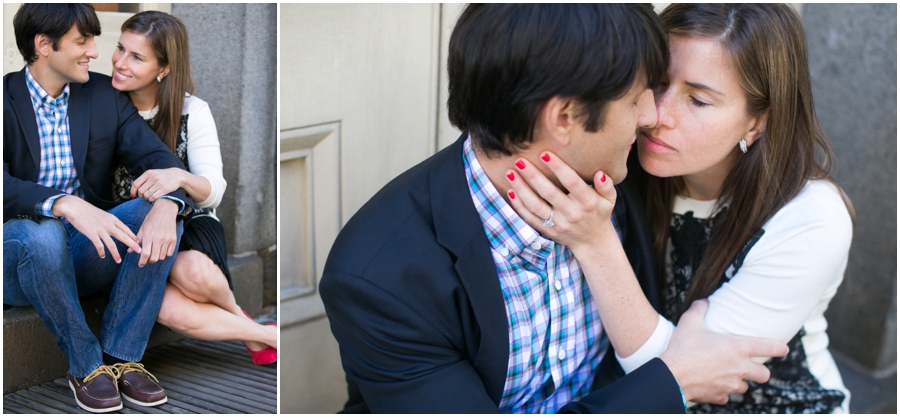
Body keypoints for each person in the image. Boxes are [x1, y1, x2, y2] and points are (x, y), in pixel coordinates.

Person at [319, 4, 788, 413]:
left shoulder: (625, 170)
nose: (652, 117)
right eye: (637, 97)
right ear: (564, 119)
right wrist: (673, 380)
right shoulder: (377, 276)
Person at [507, 3, 853, 413]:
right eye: (655, 83)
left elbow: (684, 378)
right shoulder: (624, 162)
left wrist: (594, 241)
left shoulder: (811, 220)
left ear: (756, 122)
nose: (657, 115)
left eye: (699, 100)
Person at [3, 4, 194, 413]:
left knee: (160, 217)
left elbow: (161, 161)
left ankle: (122, 356)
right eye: (82, 40)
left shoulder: (104, 96)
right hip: (17, 257)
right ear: (43, 45)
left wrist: (167, 204)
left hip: (84, 254)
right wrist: (63, 202)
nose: (94, 49)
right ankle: (86, 366)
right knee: (43, 230)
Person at [107, 11, 277, 365]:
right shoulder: (102, 104)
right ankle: (261, 332)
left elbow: (214, 189)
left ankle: (238, 316)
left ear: (164, 68)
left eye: (136, 57)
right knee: (169, 310)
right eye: (120, 49)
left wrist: (180, 178)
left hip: (190, 223)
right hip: (128, 230)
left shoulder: (191, 111)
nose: (120, 63)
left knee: (193, 271)